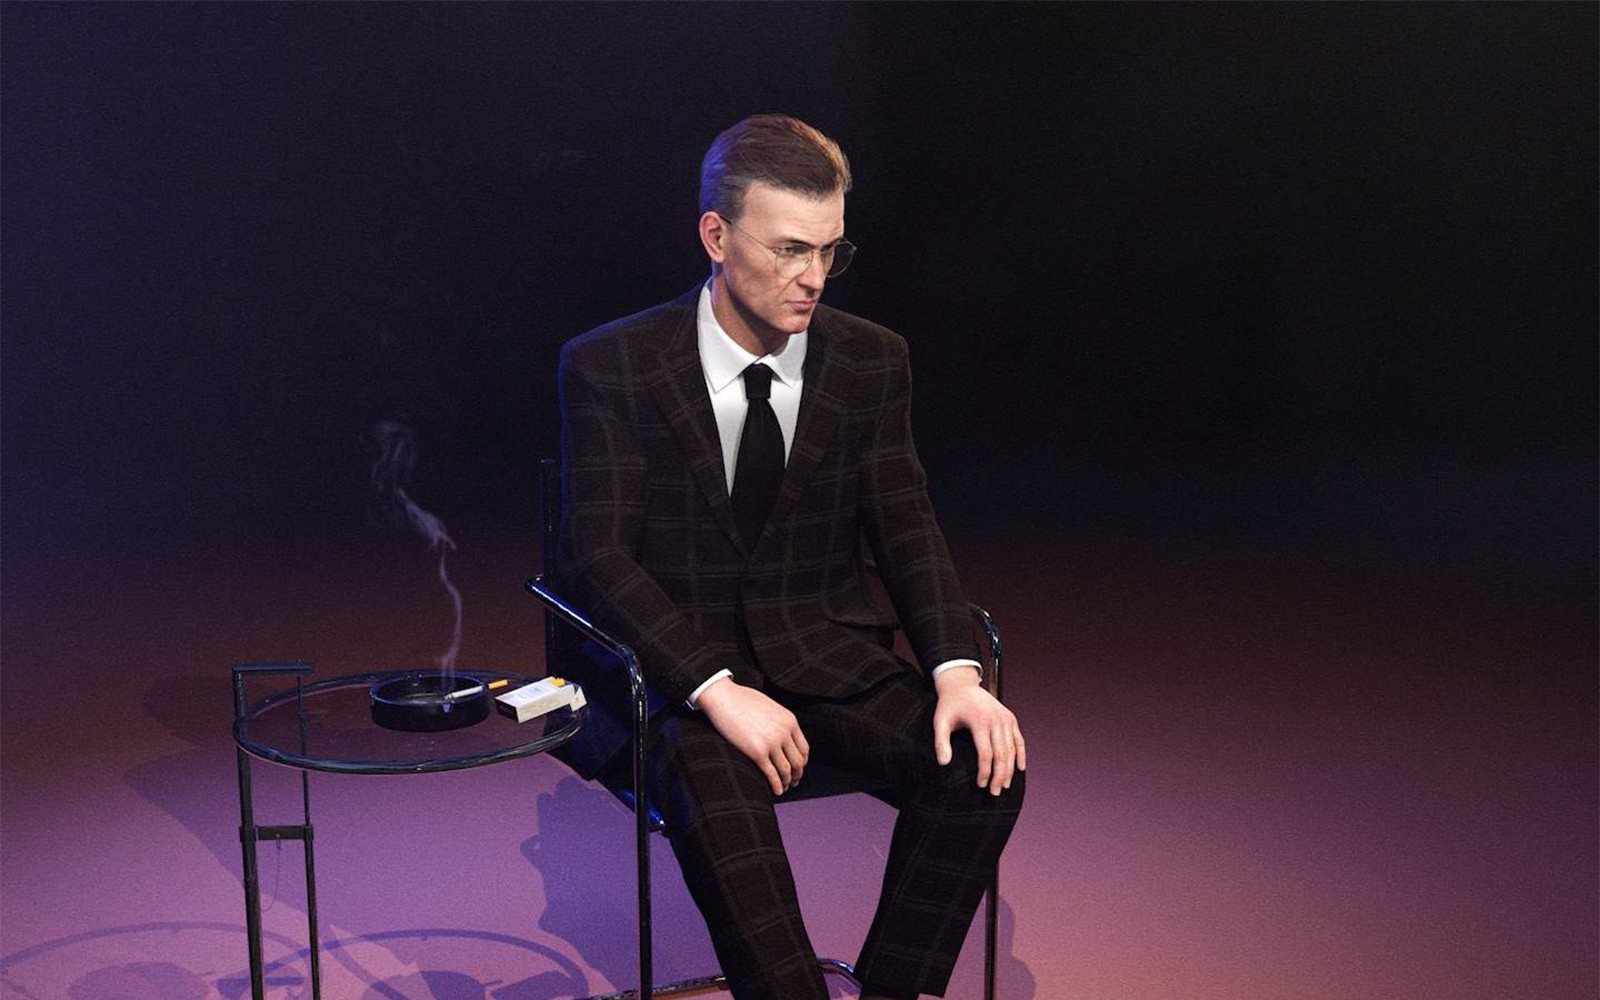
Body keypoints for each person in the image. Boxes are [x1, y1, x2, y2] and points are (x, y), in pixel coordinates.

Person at [554, 113, 1025, 1000]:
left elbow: (906, 522)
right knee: (717, 784)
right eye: (790, 251)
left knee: (982, 771)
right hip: (677, 682)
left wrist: (958, 674)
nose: (814, 279)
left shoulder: (870, 361)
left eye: (832, 253)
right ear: (716, 237)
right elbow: (597, 559)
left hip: (820, 653)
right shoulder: (612, 366)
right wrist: (715, 687)